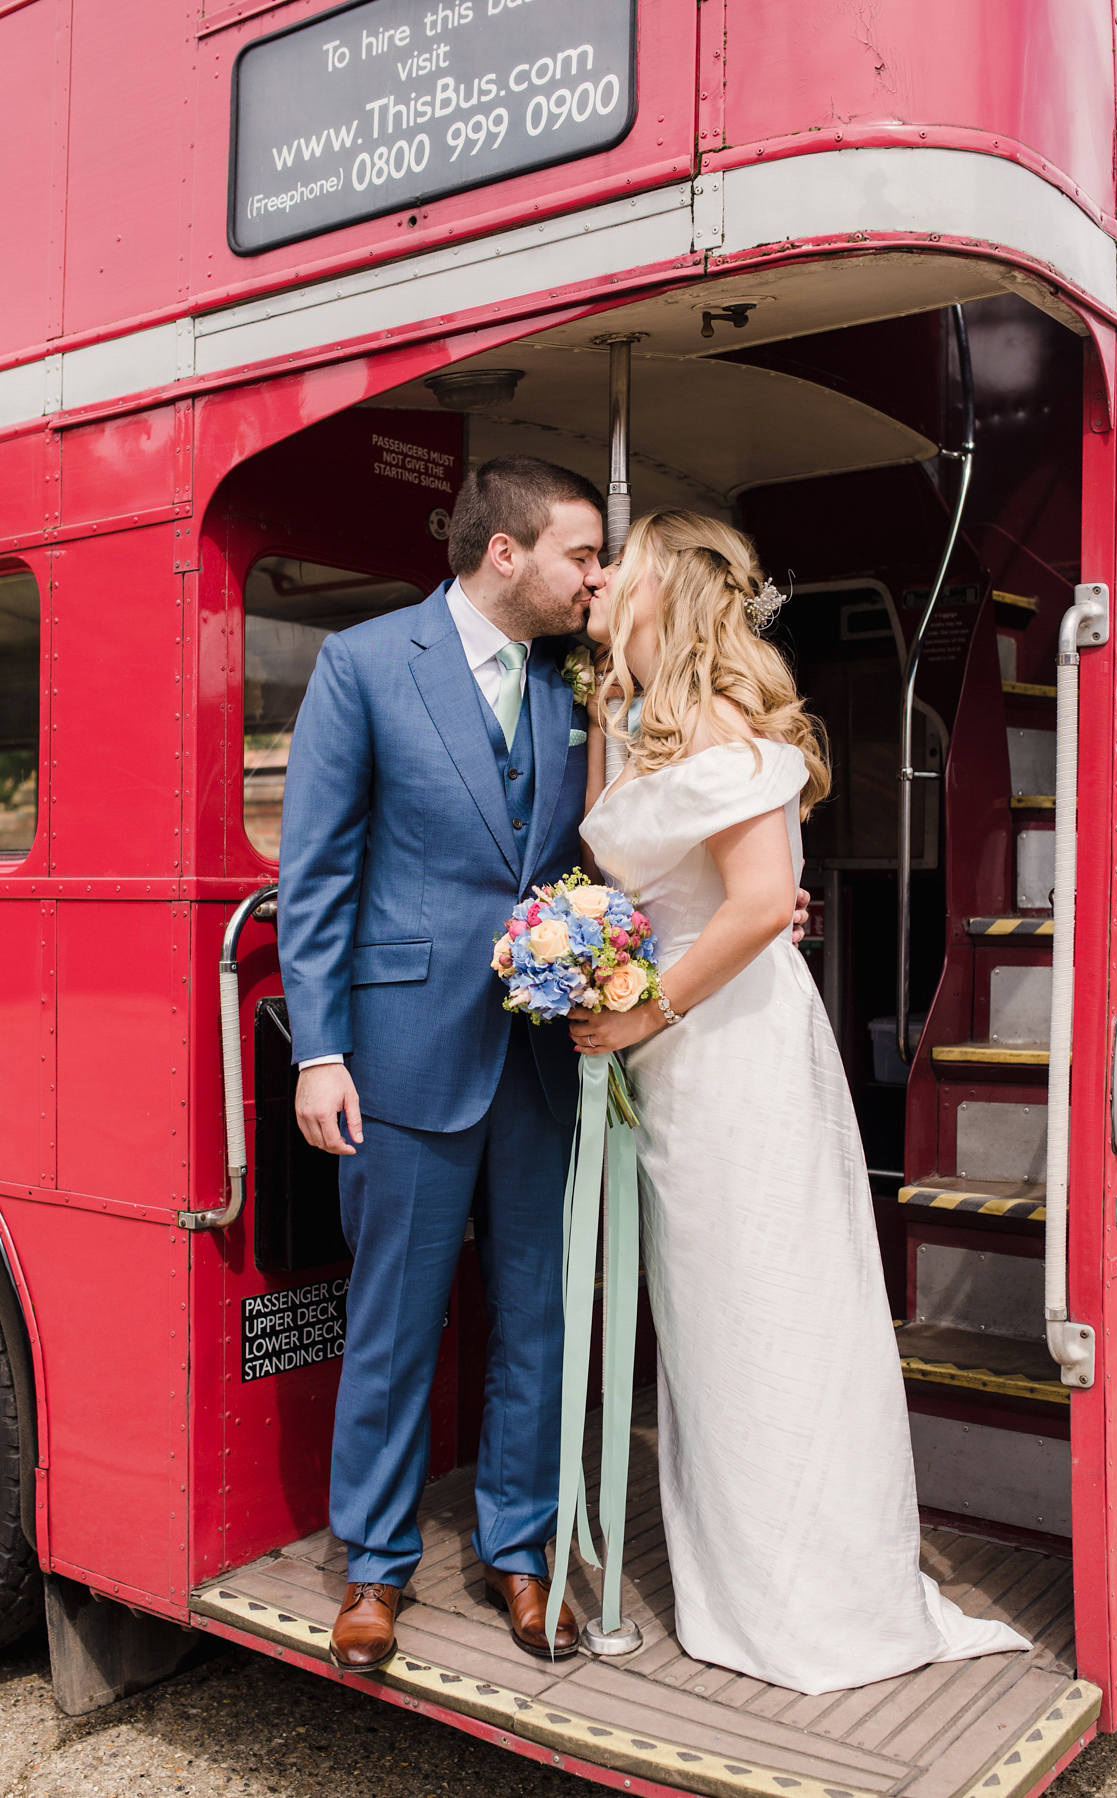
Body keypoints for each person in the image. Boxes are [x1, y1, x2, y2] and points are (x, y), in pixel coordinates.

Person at [572, 511, 1030, 1694]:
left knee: (763, 1305)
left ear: (666, 587)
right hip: (679, 1045)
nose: (603, 574)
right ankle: (744, 1574)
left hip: (727, 1052)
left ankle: (805, 1595)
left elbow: (762, 903)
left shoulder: (722, 724)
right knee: (710, 1318)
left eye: (619, 560)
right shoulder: (635, 719)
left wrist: (635, 1013)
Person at [278, 456, 607, 1670]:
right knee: (393, 1322)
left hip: (540, 1055)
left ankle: (523, 1555)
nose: (597, 575)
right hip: (404, 1049)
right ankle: (374, 1566)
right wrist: (322, 1050)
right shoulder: (365, 664)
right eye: (581, 552)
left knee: (535, 1317)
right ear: (505, 551)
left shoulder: (576, 682)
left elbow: (598, 853)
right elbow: (314, 876)